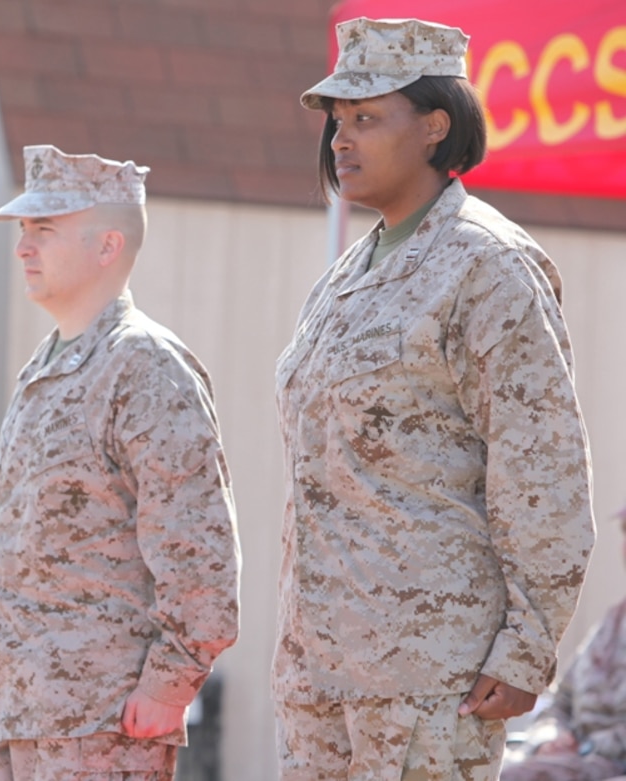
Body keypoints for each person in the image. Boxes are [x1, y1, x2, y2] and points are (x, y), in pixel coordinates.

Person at [272, 17, 595, 780]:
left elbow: (541, 465)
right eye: (337, 121)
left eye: (367, 118)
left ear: (435, 126)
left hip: (426, 673)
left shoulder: (488, 266)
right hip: (320, 670)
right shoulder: (346, 274)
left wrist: (526, 646)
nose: (341, 140)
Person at [0, 145, 241, 781]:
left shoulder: (144, 367)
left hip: (99, 723)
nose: (22, 248)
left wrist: (170, 684)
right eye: (23, 231)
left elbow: (200, 551)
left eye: (45, 230)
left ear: (108, 246)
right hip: (14, 712)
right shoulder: (47, 368)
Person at [500, 504, 626, 781]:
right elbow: (561, 700)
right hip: (569, 758)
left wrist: (584, 748)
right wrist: (550, 738)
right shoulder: (612, 621)